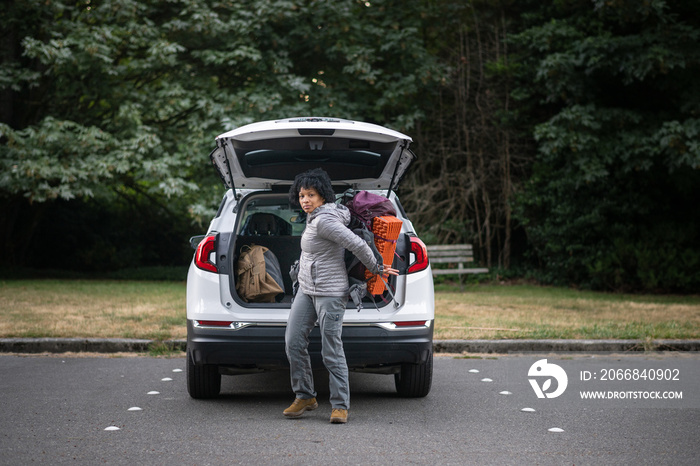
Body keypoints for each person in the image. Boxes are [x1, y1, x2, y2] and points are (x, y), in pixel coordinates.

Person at [283, 168, 398, 424]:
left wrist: (377, 267)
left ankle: (340, 405)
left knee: (331, 349)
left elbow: (357, 245)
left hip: (330, 293)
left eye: (311, 195)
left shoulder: (326, 221)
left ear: (323, 195)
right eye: (302, 195)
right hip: (307, 290)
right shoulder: (314, 217)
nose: (305, 200)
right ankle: (305, 396)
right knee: (293, 342)